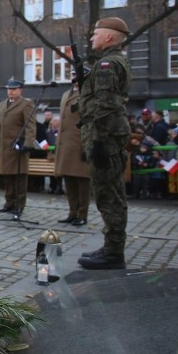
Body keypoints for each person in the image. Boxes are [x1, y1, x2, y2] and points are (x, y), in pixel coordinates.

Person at [77, 17, 132, 270]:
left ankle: (113, 252)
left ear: (109, 37)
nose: (92, 37)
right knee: (109, 194)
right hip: (108, 137)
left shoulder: (108, 64)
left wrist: (98, 141)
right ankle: (112, 248)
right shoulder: (111, 62)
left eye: (96, 33)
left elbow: (105, 105)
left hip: (106, 139)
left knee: (109, 196)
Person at [0, 77, 36, 215]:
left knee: (19, 178)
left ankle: (19, 205)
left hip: (18, 148)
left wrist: (28, 143)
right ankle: (9, 202)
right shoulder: (2, 105)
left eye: (14, 89)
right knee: (7, 177)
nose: (10, 92)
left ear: (20, 90)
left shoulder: (26, 104)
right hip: (5, 148)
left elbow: (30, 126)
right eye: (9, 89)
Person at [54, 82, 90, 226]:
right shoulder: (65, 94)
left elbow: (89, 120)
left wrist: (87, 146)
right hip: (66, 145)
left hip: (80, 144)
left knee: (82, 183)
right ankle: (72, 212)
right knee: (69, 181)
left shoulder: (87, 93)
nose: (74, 77)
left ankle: (82, 214)